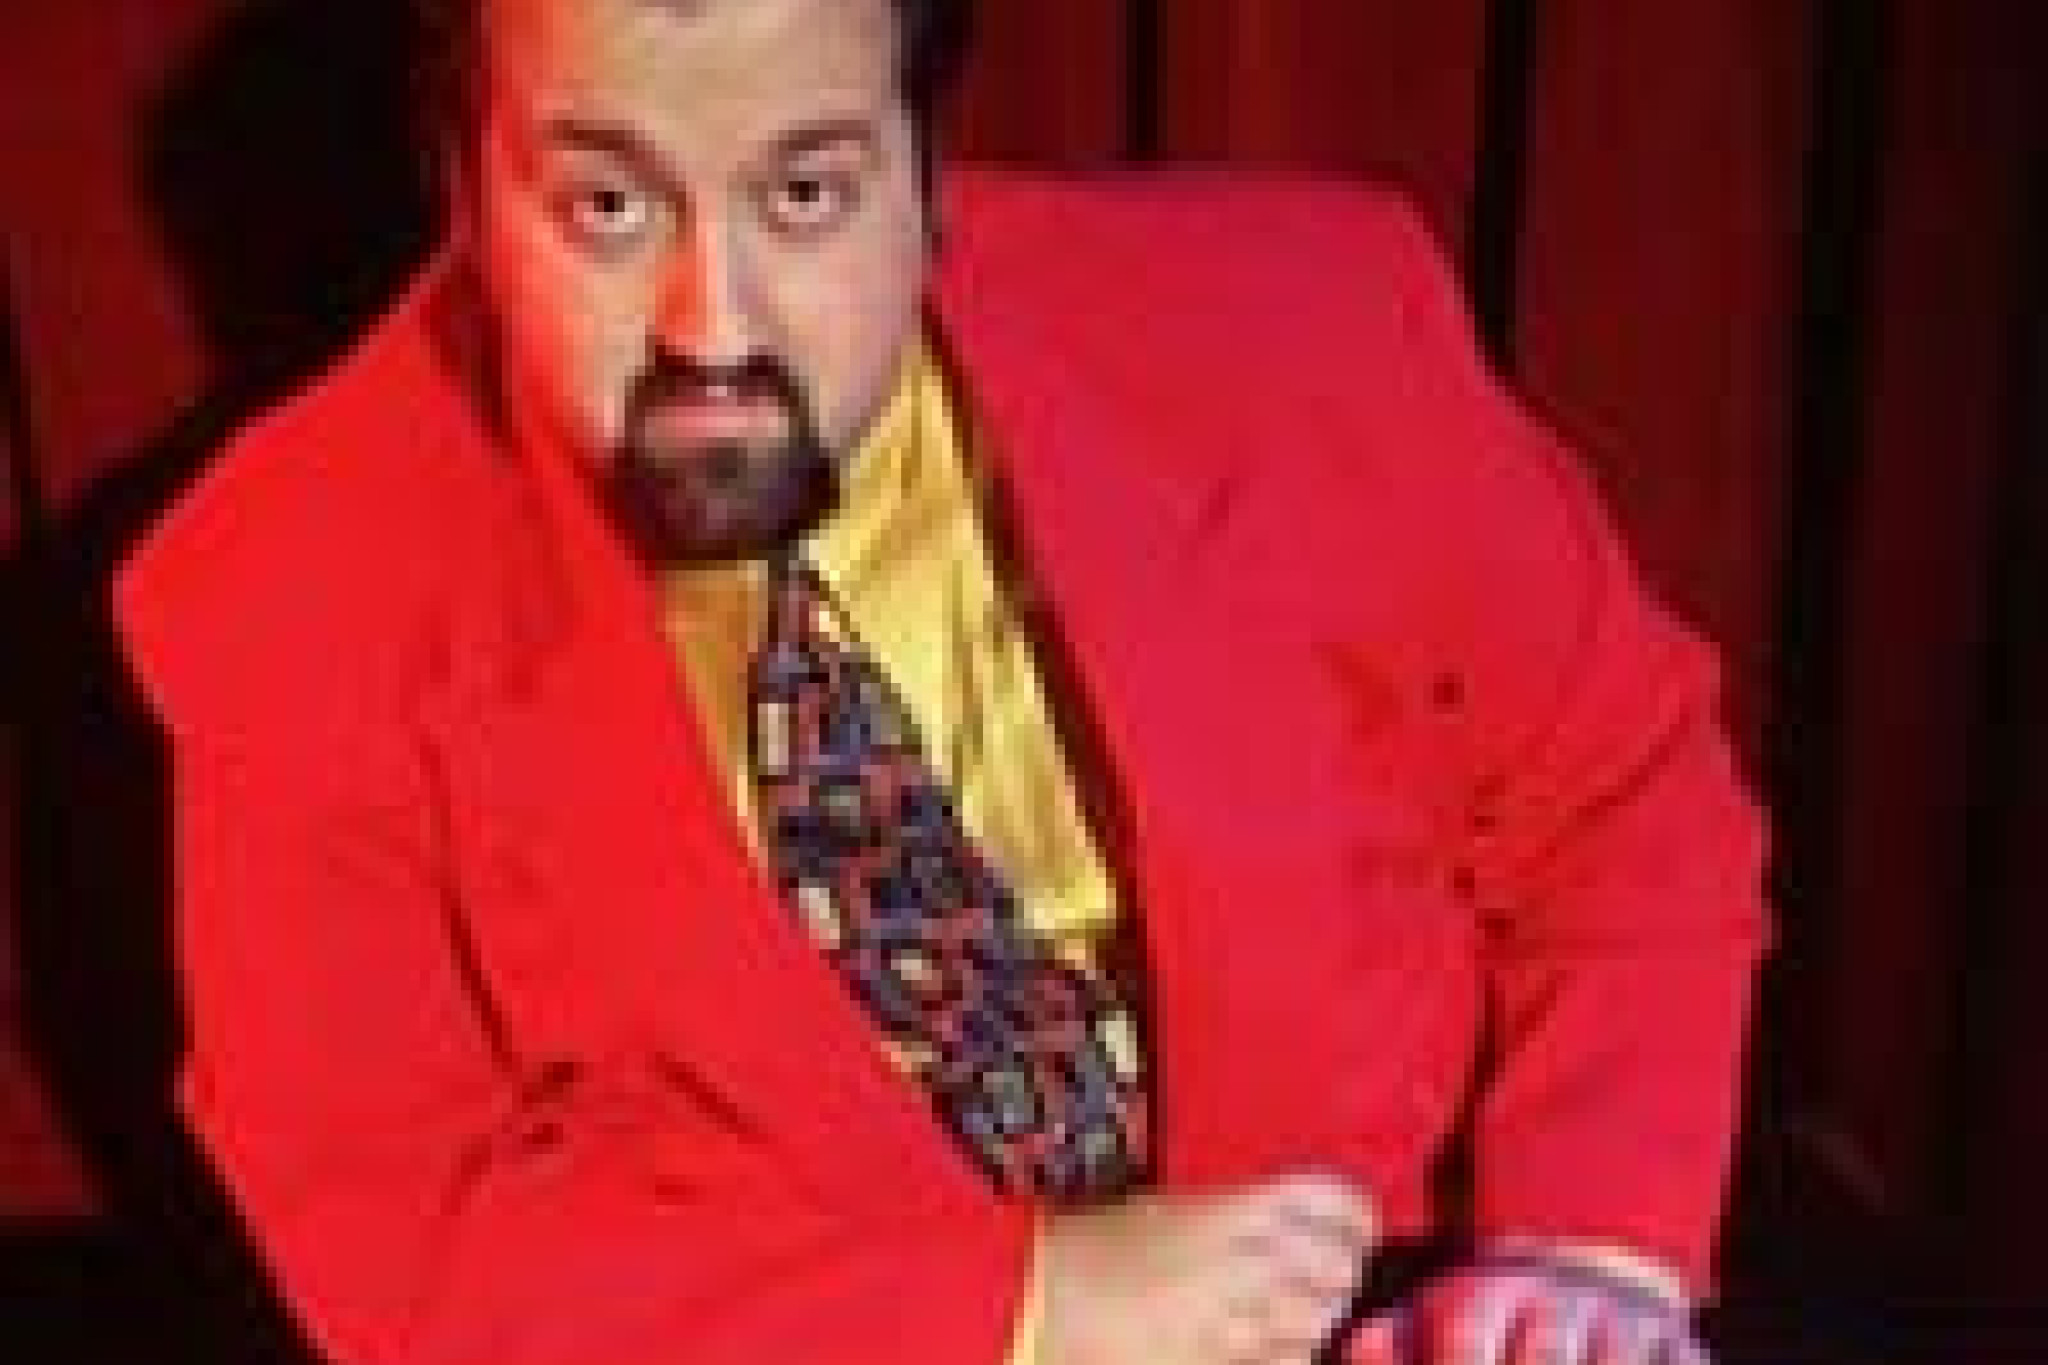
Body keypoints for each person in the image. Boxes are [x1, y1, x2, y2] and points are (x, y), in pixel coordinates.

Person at [109, 0, 1771, 1361]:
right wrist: (1032, 1308)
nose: (711, 329)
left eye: (807, 194)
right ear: (467, 188)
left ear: (926, 169)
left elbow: (1621, 799)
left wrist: (1585, 1259)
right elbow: (406, 1232)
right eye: (608, 206)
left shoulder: (1308, 319)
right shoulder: (282, 599)